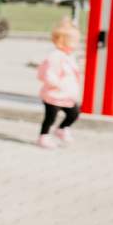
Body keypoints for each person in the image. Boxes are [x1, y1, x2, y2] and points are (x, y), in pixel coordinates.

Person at [36, 17, 83, 149]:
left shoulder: (69, 56)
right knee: (50, 117)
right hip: (54, 94)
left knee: (74, 113)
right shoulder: (55, 56)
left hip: (66, 95)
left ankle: (62, 129)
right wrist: (57, 84)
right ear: (63, 41)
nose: (77, 44)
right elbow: (48, 74)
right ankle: (43, 136)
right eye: (74, 41)